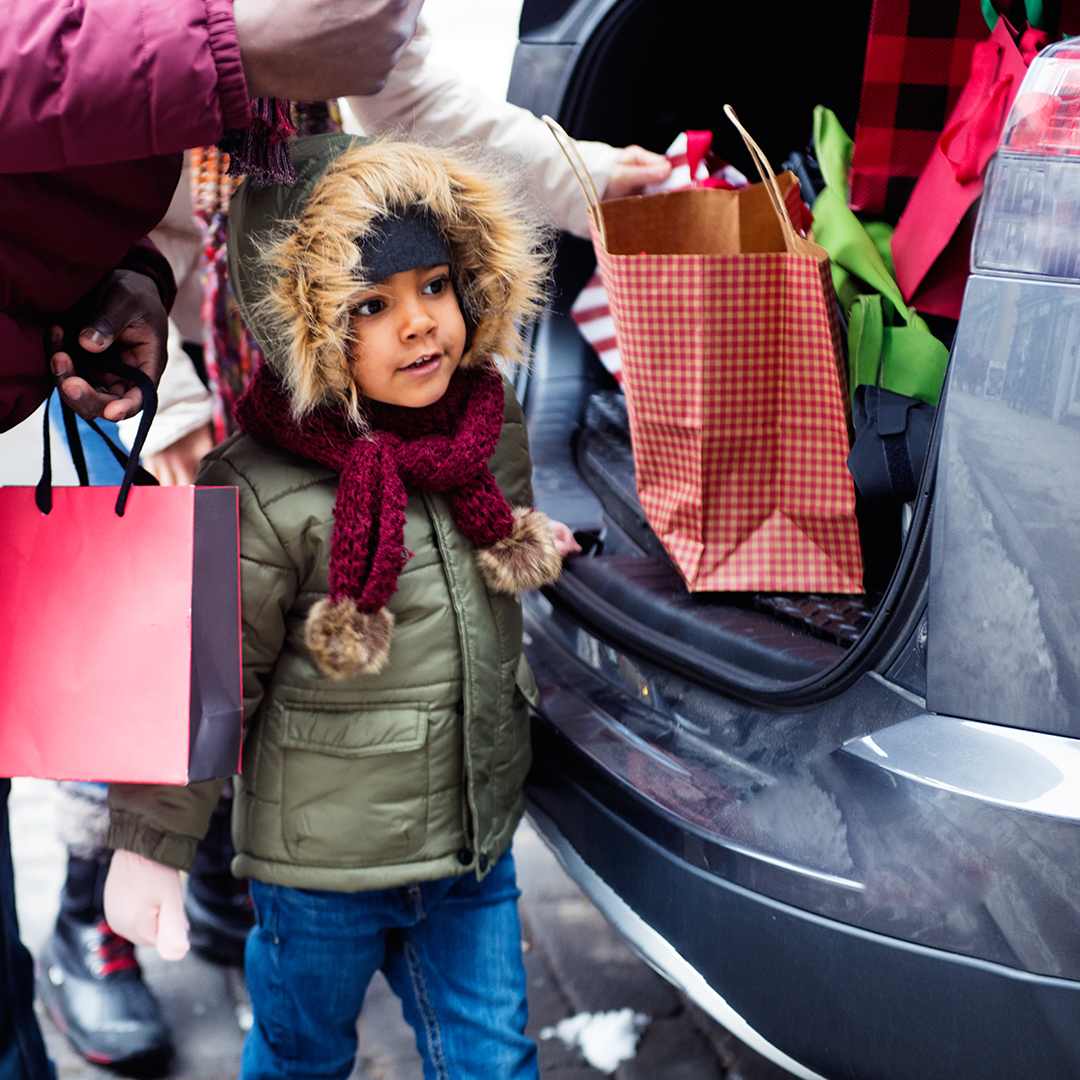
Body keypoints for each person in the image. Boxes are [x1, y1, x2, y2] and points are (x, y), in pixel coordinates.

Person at [2, 5, 425, 1075]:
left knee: (241, 649)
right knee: (123, 656)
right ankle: (91, 920)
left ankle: (212, 881)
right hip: (134, 387)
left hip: (225, 357)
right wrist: (173, 402)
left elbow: (415, 97)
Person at [103, 134, 579, 1079]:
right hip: (319, 867)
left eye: (435, 285)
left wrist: (528, 538)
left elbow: (475, 570)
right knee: (302, 1055)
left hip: (469, 847)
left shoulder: (487, 427)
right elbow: (203, 675)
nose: (421, 323)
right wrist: (151, 845)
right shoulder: (259, 487)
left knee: (494, 1059)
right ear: (307, 326)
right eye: (372, 304)